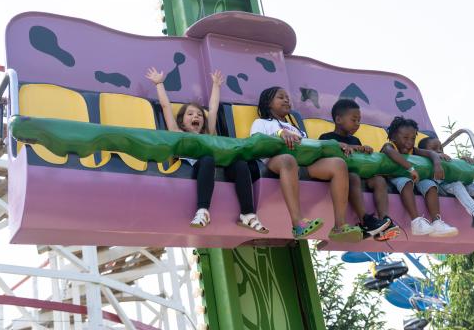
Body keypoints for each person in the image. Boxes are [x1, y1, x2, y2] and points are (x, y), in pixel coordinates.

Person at [145, 67, 268, 234]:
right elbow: (166, 107)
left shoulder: (208, 133)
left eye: (199, 115)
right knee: (207, 158)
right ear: (182, 122)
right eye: (190, 114)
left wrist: (216, 86)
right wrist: (159, 83)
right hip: (198, 167)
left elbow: (213, 109)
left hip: (219, 166)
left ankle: (247, 213)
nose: (196, 117)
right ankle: (203, 210)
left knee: (240, 164)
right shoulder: (178, 133)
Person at [250, 86, 362, 242]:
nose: (286, 100)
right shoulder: (261, 122)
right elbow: (257, 142)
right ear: (268, 103)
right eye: (280, 97)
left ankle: (339, 225)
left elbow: (311, 145)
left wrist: (335, 144)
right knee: (288, 160)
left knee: (338, 164)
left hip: (304, 164)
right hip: (277, 162)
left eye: (287, 97)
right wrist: (281, 133)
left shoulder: (296, 128)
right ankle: (298, 223)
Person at [319, 99, 400, 241]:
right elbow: (327, 148)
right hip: (346, 175)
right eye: (354, 120)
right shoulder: (326, 137)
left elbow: (360, 160)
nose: (358, 124)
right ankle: (365, 220)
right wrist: (349, 147)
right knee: (353, 177)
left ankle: (384, 221)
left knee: (379, 180)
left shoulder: (356, 140)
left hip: (362, 174)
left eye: (359, 120)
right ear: (338, 119)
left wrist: (365, 150)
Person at [381, 116, 458, 237]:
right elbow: (391, 153)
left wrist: (437, 164)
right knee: (406, 182)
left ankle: (437, 222)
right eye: (405, 138)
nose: (409, 142)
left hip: (414, 178)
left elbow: (431, 153)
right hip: (394, 178)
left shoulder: (413, 150)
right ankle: (416, 222)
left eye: (412, 138)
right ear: (393, 137)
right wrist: (410, 168)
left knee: (430, 185)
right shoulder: (389, 146)